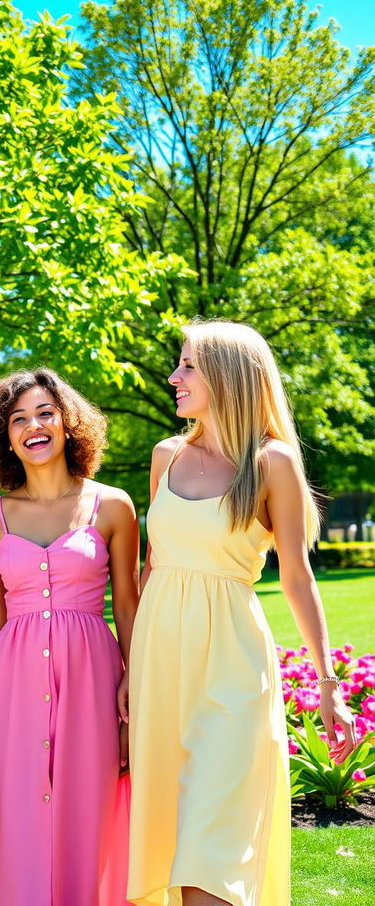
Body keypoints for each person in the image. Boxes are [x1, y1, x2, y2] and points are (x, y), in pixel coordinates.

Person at [122, 320, 357, 906]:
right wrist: (130, 667)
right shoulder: (165, 455)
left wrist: (329, 684)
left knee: (214, 844)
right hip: (162, 662)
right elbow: (153, 567)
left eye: (188, 366)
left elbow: (297, 577)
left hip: (232, 663)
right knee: (171, 834)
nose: (174, 377)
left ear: (228, 375)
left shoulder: (273, 463)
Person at [0, 368, 139, 906]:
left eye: (45, 413)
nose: (32, 426)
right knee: (16, 825)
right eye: (18, 419)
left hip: (93, 684)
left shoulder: (112, 506)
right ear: (4, 436)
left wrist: (137, 688)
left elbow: (129, 607)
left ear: (68, 424)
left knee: (90, 823)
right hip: (11, 692)